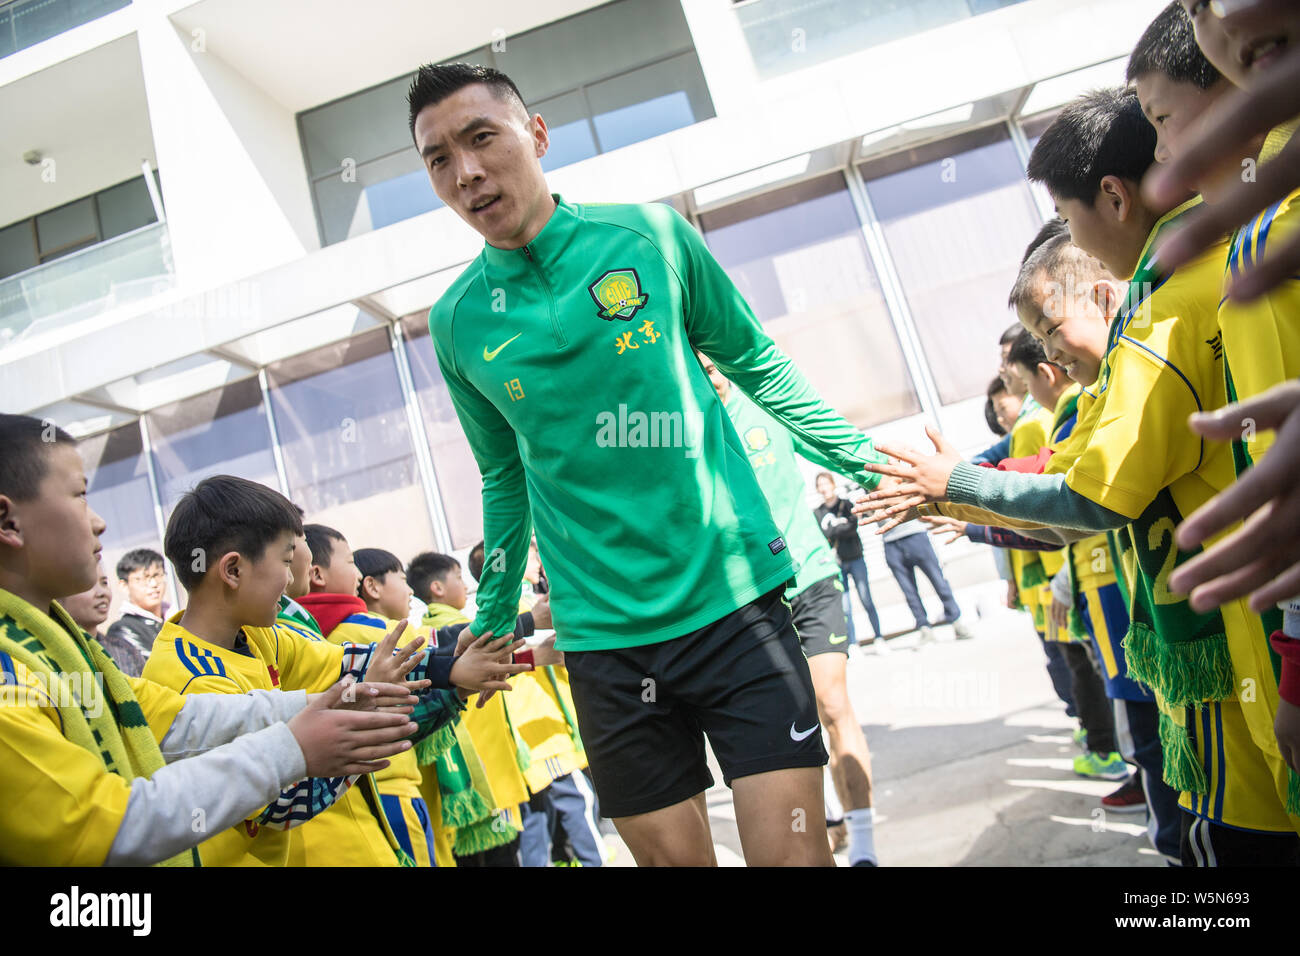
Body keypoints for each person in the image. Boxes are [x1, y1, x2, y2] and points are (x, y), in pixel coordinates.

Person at [408, 62, 900, 866]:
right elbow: (504, 476)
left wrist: (874, 466)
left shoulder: (651, 237)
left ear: (534, 134)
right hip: (603, 646)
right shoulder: (457, 322)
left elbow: (760, 368)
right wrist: (493, 619)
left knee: (795, 858)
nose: (465, 171)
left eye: (480, 138)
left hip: (736, 608)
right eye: (438, 159)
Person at [860, 87, 1300, 863]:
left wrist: (956, 487)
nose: (1081, 242)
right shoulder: (1202, 277)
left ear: (1111, 197)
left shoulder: (1165, 314)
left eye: (1073, 219)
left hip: (1244, 655)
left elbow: (1086, 495)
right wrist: (961, 494)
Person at [0, 413, 421, 865]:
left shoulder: (64, 652)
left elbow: (177, 721)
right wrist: (296, 745)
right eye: (80, 496)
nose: (99, 522)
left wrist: (330, 705)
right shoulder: (13, 680)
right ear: (8, 521)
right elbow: (110, 825)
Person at [705, 355, 882, 866]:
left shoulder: (764, 408)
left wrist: (885, 477)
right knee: (790, 718)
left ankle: (864, 843)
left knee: (830, 703)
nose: (710, 375)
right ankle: (824, 819)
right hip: (752, 597)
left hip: (810, 578)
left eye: (714, 365)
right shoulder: (687, 433)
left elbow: (833, 443)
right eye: (697, 369)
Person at [813, 472, 883, 646]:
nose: (824, 488)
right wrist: (839, 529)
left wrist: (834, 531)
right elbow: (822, 535)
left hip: (856, 558)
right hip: (836, 563)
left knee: (866, 598)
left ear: (833, 484)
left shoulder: (846, 504)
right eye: (820, 485)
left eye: (826, 483)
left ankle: (879, 637)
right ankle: (852, 642)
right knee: (845, 607)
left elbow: (852, 528)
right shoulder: (818, 512)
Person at [103, 547, 167, 676]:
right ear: (124, 586)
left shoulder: (178, 617)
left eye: (157, 575)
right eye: (143, 578)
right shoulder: (122, 630)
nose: (153, 584)